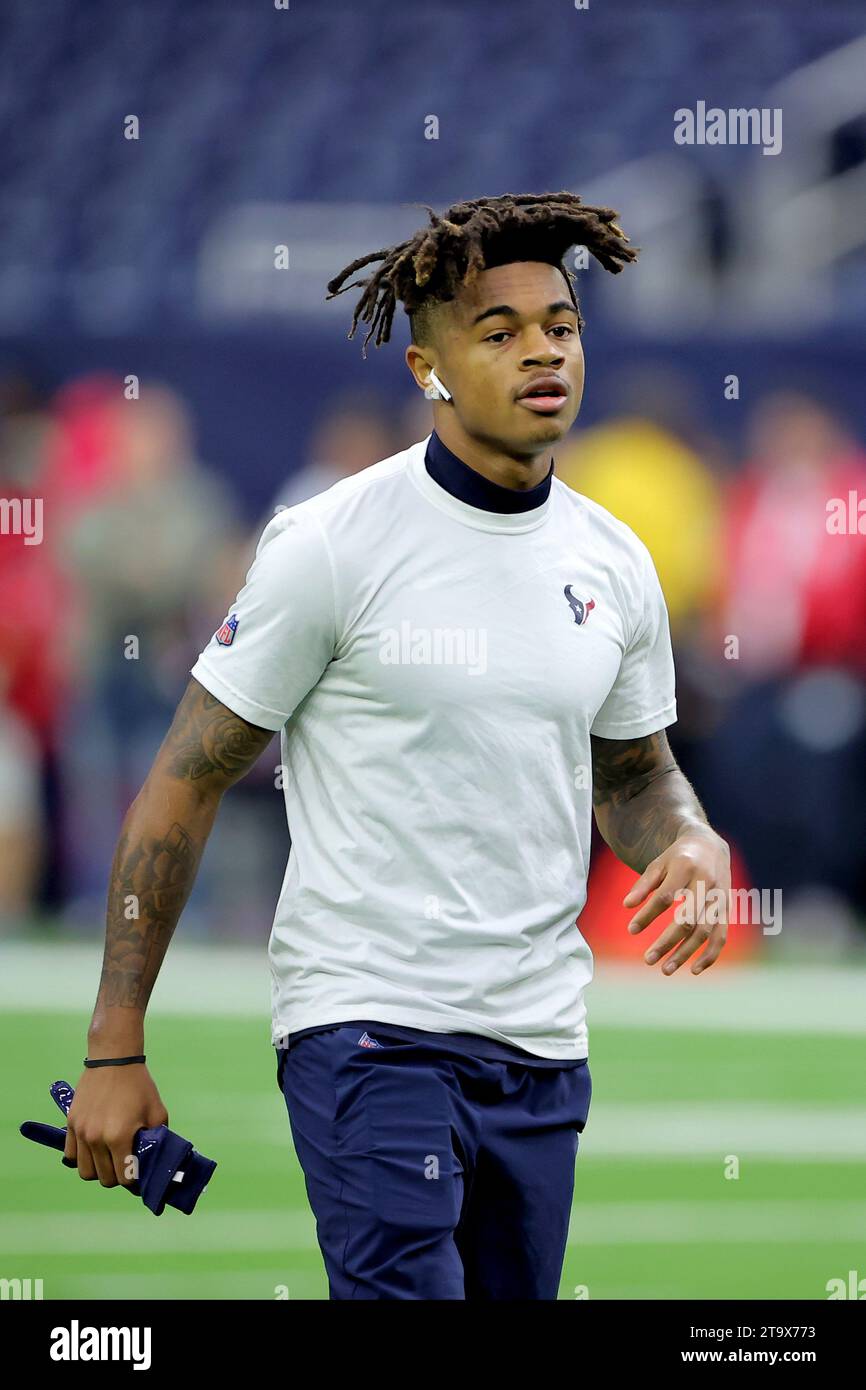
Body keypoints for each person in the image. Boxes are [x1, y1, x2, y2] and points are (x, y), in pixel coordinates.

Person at [65, 191, 731, 1300]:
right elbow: (184, 781)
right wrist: (114, 1047)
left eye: (559, 326)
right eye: (499, 330)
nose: (541, 352)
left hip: (538, 1041)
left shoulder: (613, 559)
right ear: (427, 367)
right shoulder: (332, 543)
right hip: (368, 1032)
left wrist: (692, 836)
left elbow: (634, 773)